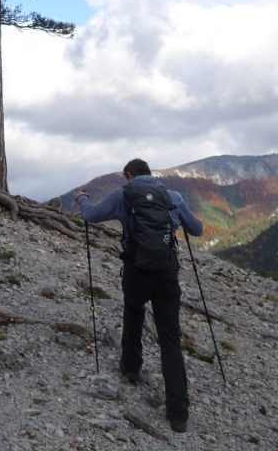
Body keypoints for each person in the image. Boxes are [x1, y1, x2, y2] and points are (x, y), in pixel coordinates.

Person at [75, 158, 203, 434]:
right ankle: (178, 414)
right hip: (167, 274)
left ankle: (131, 368)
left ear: (128, 175)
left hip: (136, 271)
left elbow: (91, 215)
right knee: (170, 338)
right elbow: (197, 229)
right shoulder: (173, 197)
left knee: (133, 312)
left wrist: (82, 199)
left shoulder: (123, 195)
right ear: (150, 174)